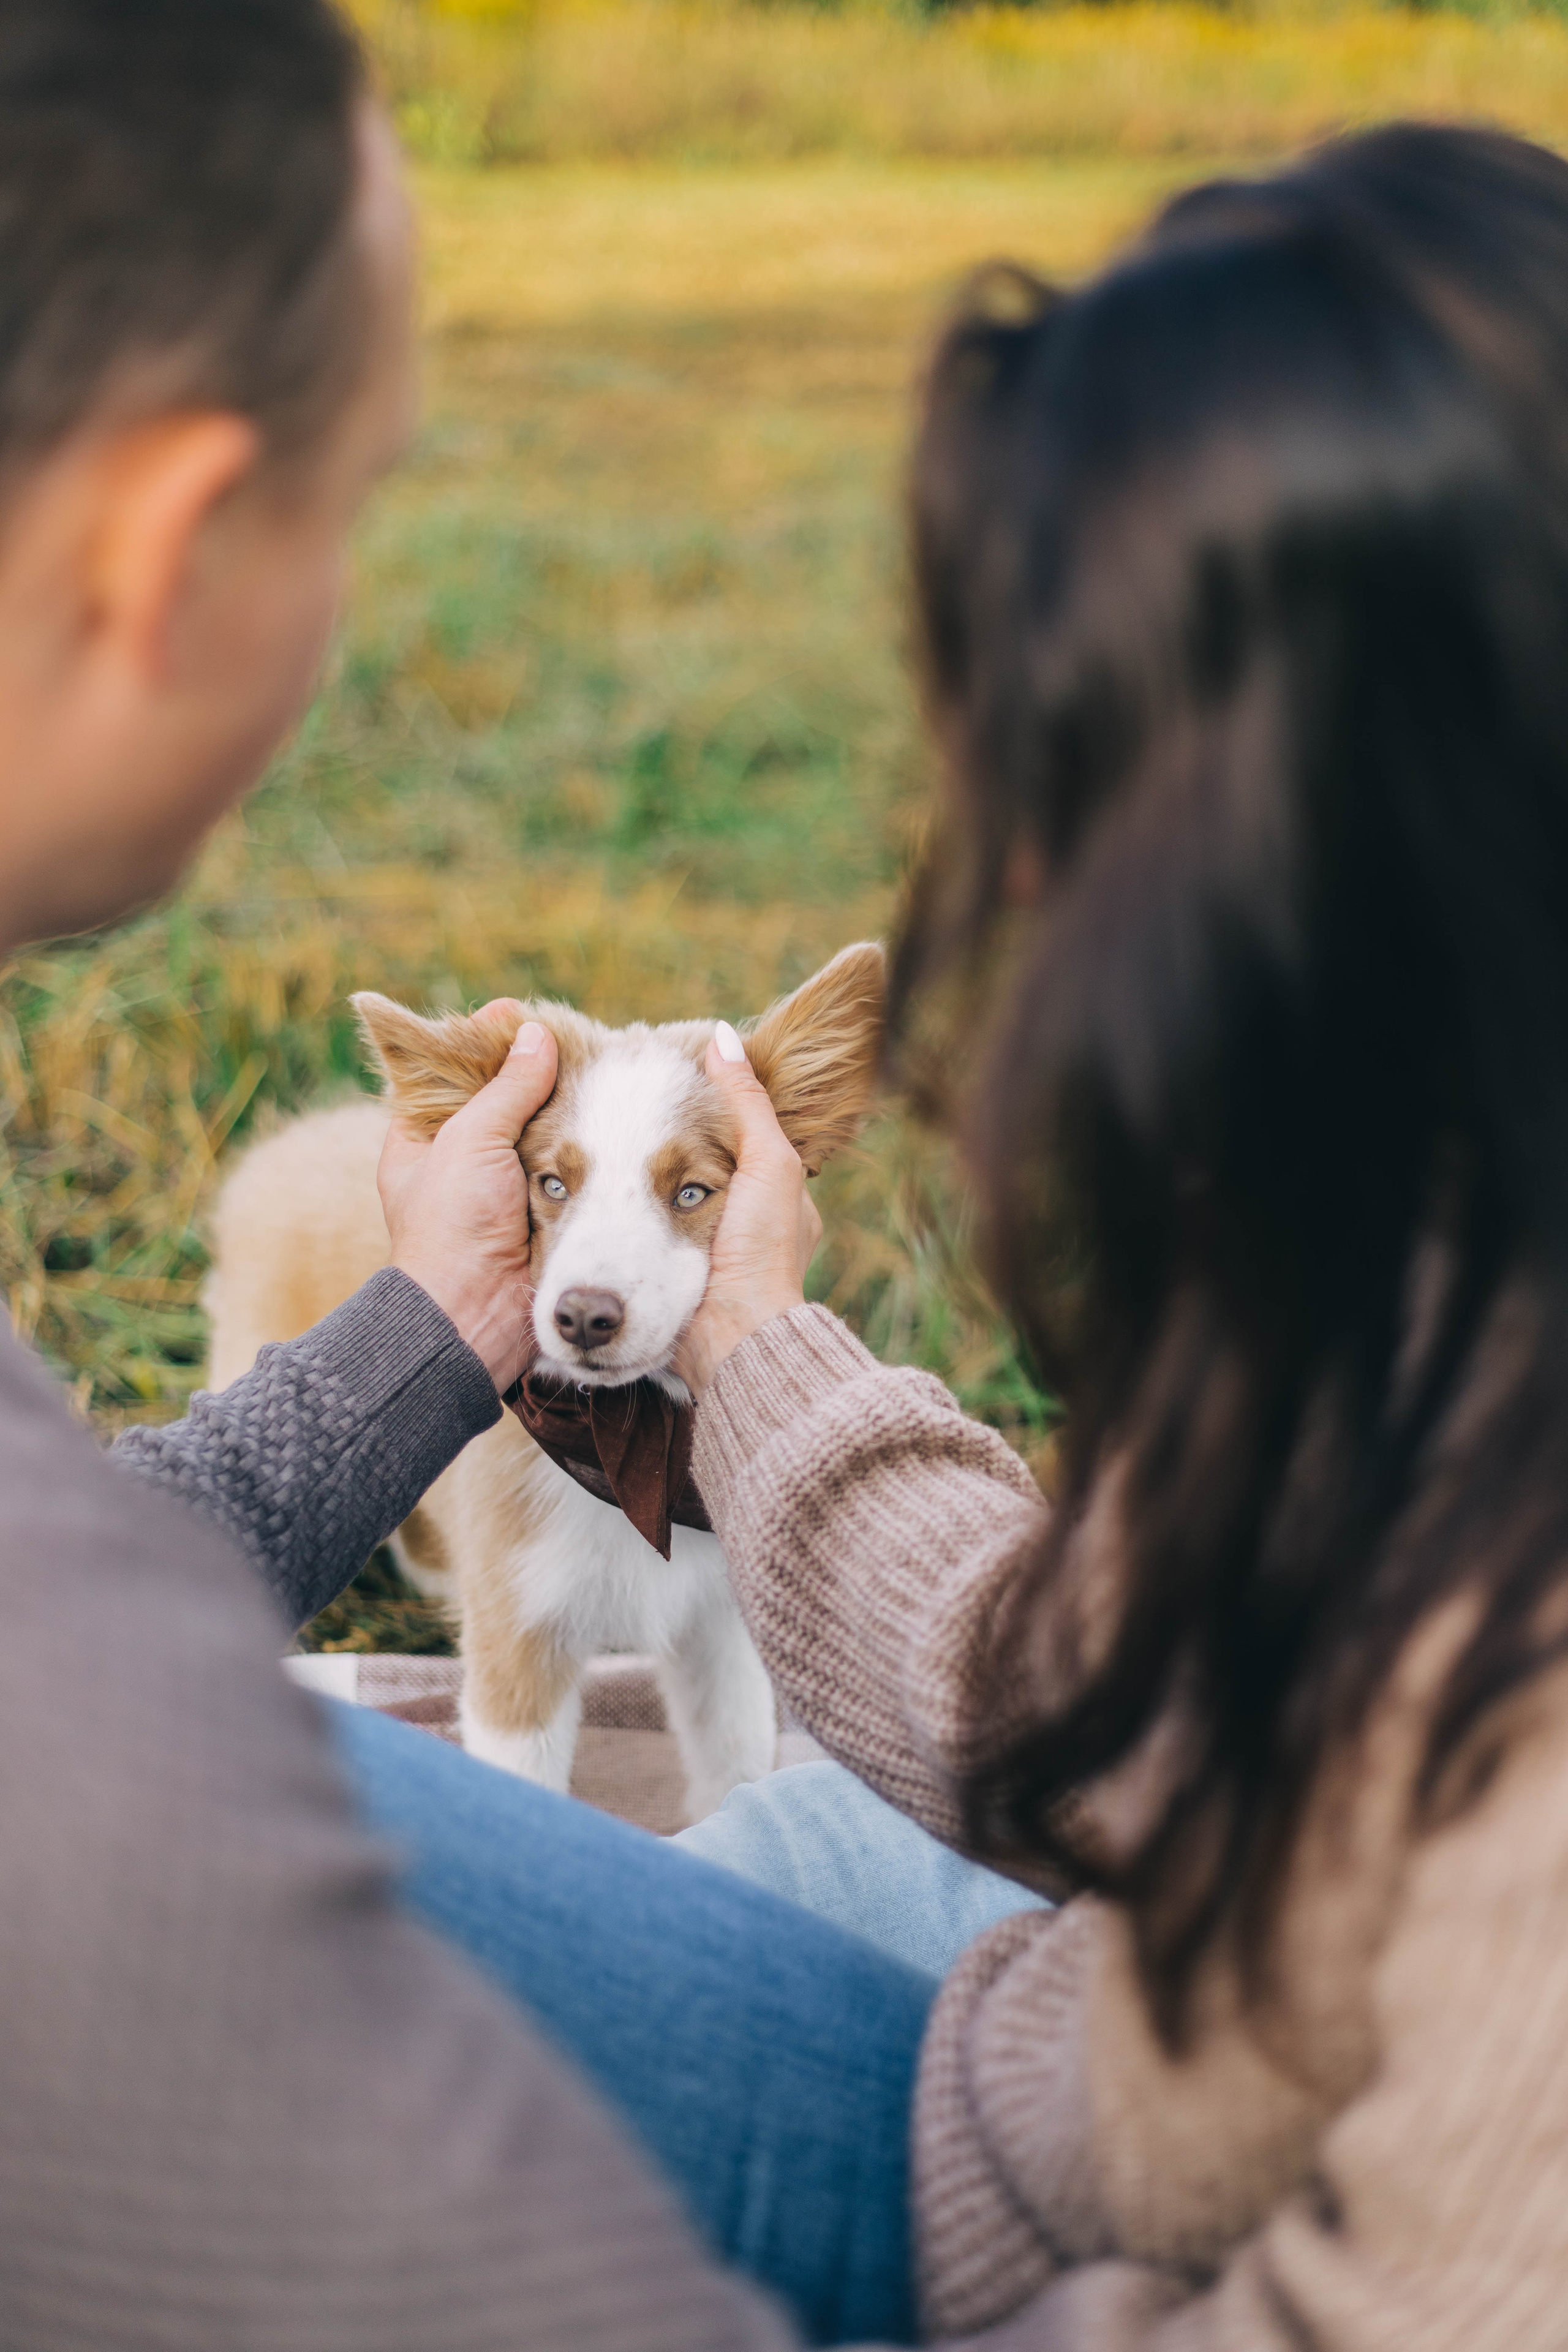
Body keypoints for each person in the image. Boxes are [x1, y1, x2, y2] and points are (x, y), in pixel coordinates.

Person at [6, 13, 1568, 2352]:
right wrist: (543, 1349)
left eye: (1056, 785)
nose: (1006, 884)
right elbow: (1126, 1709)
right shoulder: (1434, 1265)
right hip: (1061, 2074)